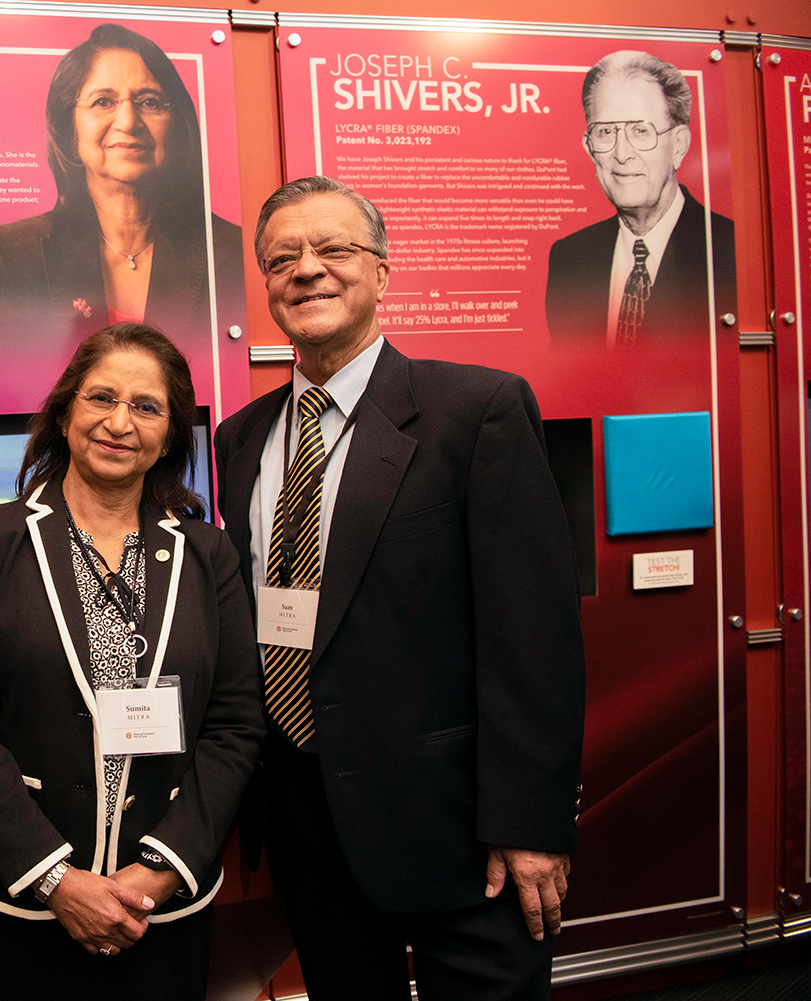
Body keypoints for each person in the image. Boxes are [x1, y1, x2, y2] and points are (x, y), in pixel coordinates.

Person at [216, 176, 585, 999]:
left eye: (333, 249)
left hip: (459, 829)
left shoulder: (476, 410)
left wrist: (530, 823)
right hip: (308, 819)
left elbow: (535, 638)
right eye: (283, 258)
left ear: (382, 272)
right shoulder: (240, 440)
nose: (307, 269)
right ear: (268, 287)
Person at [0, 322, 263, 999]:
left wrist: (161, 869)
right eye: (100, 397)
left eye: (146, 406)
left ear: (170, 434)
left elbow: (235, 726)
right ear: (65, 412)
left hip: (156, 909)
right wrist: (56, 878)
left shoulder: (208, 555)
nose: (119, 421)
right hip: (13, 903)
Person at [0, 24, 243, 385]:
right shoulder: (11, 255)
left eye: (150, 102)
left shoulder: (229, 250)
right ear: (70, 127)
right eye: (103, 101)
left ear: (178, 125)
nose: (128, 122)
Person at [545, 50, 734, 349]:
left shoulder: (731, 250)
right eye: (606, 132)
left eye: (640, 131)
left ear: (679, 145)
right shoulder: (570, 258)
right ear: (589, 146)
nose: (622, 154)